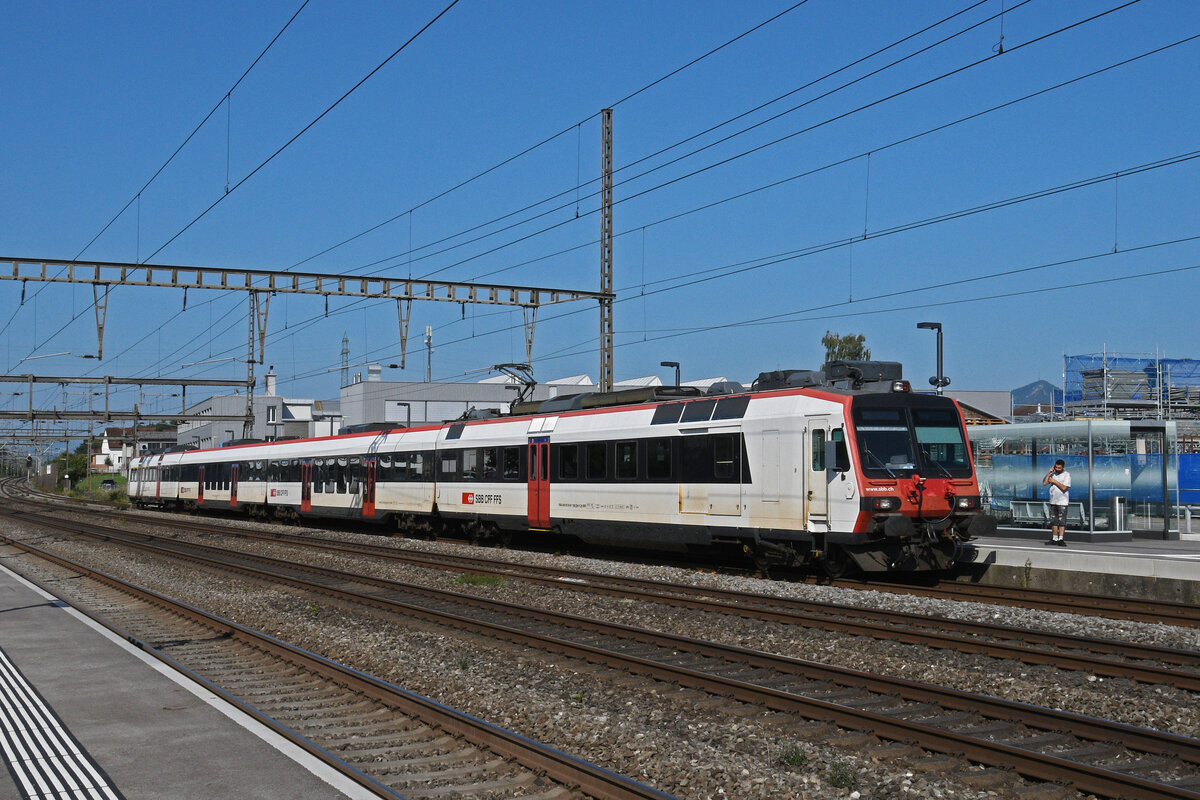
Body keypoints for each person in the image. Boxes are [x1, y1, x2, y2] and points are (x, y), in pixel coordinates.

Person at [1043, 459, 1071, 546]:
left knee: (1061, 521)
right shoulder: (1053, 474)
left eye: (1059, 467)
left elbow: (1064, 488)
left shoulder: (1067, 475)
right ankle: (1054, 538)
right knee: (1053, 521)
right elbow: (1044, 483)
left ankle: (1061, 539)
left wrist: (1055, 482)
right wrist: (1048, 473)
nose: (1057, 469)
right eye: (1056, 467)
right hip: (1053, 500)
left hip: (1062, 501)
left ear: (1063, 467)